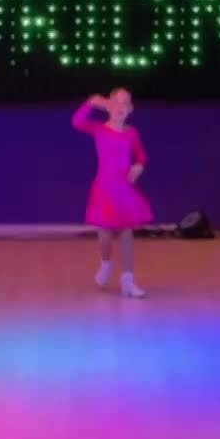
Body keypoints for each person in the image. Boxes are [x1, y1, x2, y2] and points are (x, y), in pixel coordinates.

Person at [71, 89, 151, 298]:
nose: (120, 107)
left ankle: (128, 280)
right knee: (105, 233)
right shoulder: (99, 129)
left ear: (130, 109)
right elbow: (77, 122)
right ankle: (106, 263)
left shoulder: (131, 133)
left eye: (125, 103)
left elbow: (141, 156)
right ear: (108, 107)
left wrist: (138, 167)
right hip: (104, 188)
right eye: (116, 102)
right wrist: (91, 103)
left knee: (126, 231)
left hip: (124, 188)